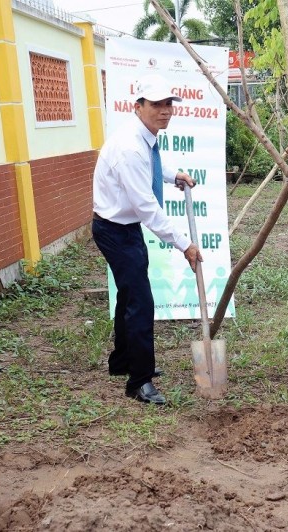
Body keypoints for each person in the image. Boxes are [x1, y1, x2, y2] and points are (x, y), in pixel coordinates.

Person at [92, 74, 202, 405]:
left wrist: (174, 175)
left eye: (169, 104)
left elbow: (152, 166)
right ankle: (140, 381)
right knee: (141, 301)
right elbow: (147, 208)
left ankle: (122, 361)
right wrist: (185, 243)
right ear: (137, 107)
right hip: (114, 230)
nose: (165, 111)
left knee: (129, 296)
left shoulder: (145, 139)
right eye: (156, 105)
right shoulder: (129, 147)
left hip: (124, 229)